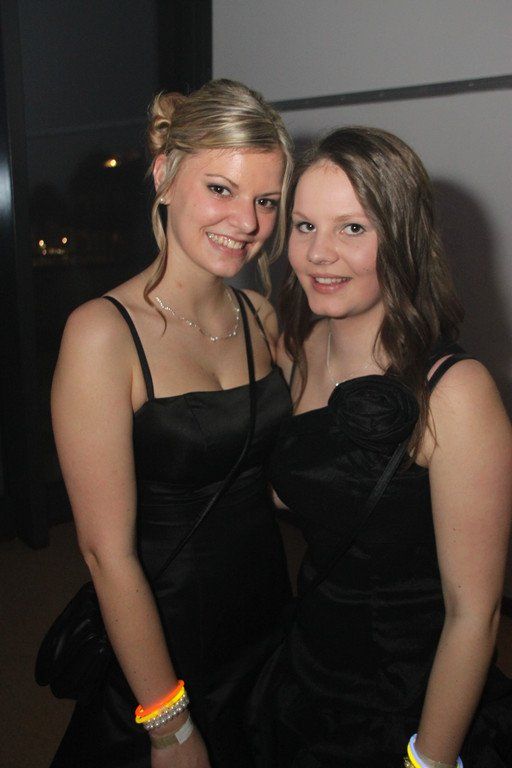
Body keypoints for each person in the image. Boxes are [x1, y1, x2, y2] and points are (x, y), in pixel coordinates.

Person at [49, 78, 294, 768]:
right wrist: (169, 725)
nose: (246, 222)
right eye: (221, 189)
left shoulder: (261, 316)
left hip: (268, 621)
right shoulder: (102, 333)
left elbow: (282, 479)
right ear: (164, 176)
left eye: (266, 200)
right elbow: (106, 553)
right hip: (163, 638)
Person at [253, 127, 512, 767]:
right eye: (305, 226)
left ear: (402, 239)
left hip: (414, 695)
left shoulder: (456, 393)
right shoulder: (293, 349)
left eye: (352, 228)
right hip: (308, 670)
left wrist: (429, 758)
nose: (318, 253)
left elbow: (474, 615)